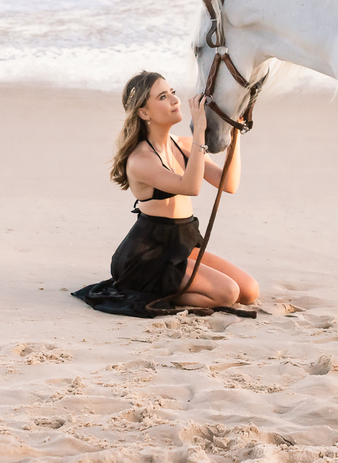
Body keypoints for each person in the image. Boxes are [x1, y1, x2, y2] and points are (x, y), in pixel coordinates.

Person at [73, 70, 259, 317]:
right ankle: (154, 291)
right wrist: (200, 131)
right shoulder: (141, 159)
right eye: (162, 96)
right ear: (144, 112)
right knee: (227, 293)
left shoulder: (182, 145)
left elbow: (228, 184)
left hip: (182, 242)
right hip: (150, 254)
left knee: (249, 291)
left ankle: (169, 288)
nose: (175, 100)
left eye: (173, 92)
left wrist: (234, 129)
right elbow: (191, 187)